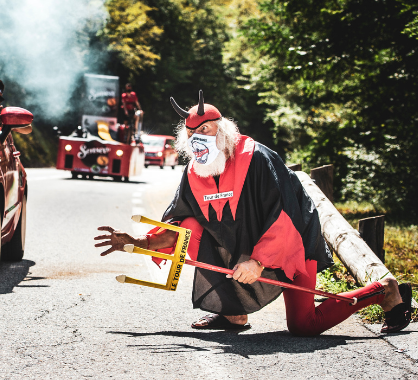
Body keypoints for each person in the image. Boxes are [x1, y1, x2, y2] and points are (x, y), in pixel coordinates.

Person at [94, 90, 413, 335]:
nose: (200, 139)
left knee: (304, 326)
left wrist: (258, 260)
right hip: (244, 245)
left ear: (222, 130)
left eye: (206, 130)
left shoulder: (257, 158)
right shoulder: (193, 173)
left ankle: (384, 291)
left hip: (295, 239)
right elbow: (181, 224)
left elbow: (284, 215)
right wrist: (138, 242)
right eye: (194, 135)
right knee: (192, 224)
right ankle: (233, 312)